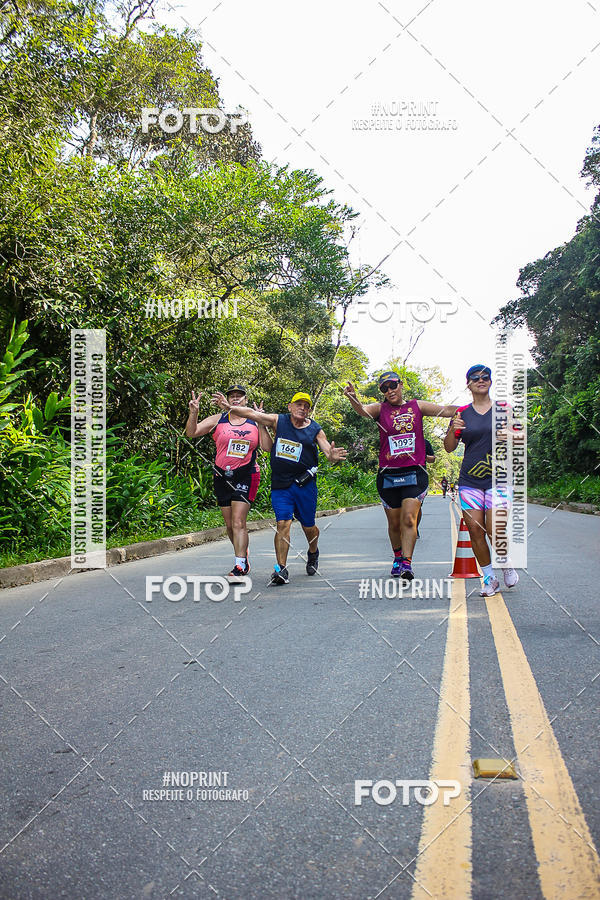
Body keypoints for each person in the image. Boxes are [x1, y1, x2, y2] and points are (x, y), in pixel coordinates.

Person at [211, 390, 347, 585]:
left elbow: (327, 451)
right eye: (298, 404)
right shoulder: (278, 420)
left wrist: (332, 456)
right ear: (290, 407)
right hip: (281, 484)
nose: (302, 408)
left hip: (304, 484)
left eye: (306, 406)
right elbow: (252, 414)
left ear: (309, 410)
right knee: (283, 523)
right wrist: (230, 408)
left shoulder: (315, 429)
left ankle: (313, 551)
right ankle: (281, 569)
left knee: (309, 526)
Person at [344, 372, 457, 581]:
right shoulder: (380, 409)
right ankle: (397, 557)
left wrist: (477, 407)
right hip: (388, 474)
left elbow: (447, 410)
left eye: (393, 385)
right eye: (384, 388)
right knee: (394, 524)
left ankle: (407, 562)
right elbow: (362, 411)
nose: (390, 391)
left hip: (415, 472)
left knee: (408, 518)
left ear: (401, 385)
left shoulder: (417, 406)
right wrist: (353, 398)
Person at [443, 364, 519, 597]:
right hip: (470, 480)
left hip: (499, 479)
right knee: (476, 531)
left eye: (485, 377)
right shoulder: (462, 413)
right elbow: (448, 448)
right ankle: (490, 579)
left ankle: (506, 564)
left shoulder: (504, 409)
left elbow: (521, 437)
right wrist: (452, 430)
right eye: (475, 378)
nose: (481, 380)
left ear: (491, 381)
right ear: (468, 384)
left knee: (495, 528)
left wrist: (511, 434)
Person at [185, 384, 271, 579]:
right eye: (232, 396)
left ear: (246, 400)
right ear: (227, 398)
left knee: (239, 521)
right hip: (222, 475)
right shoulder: (219, 420)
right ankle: (243, 555)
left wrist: (262, 422)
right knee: (230, 526)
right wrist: (193, 413)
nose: (235, 399)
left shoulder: (254, 421)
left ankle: (240, 565)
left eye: (239, 396)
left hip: (246, 474)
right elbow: (192, 432)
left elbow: (267, 448)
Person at [416, 439, 436, 539]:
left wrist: (422, 456)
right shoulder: (398, 439)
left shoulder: (424, 442)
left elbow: (432, 459)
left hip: (419, 477)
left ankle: (414, 527)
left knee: (417, 506)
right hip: (399, 476)